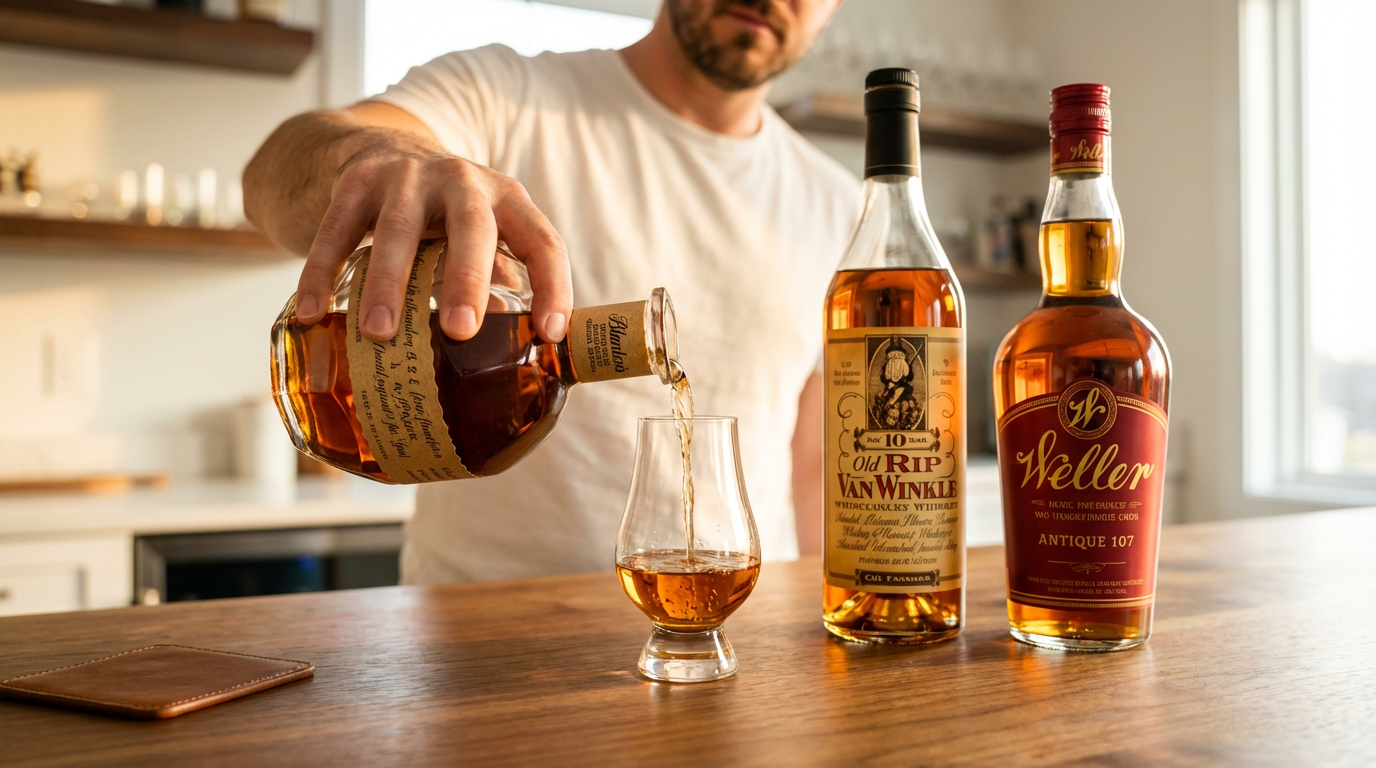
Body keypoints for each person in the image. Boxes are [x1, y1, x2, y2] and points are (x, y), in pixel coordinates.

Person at [244, 0, 858, 583]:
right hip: (481, 641)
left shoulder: (838, 206)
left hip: (735, 630)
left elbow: (815, 467)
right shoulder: (507, 95)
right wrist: (383, 156)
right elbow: (270, 175)